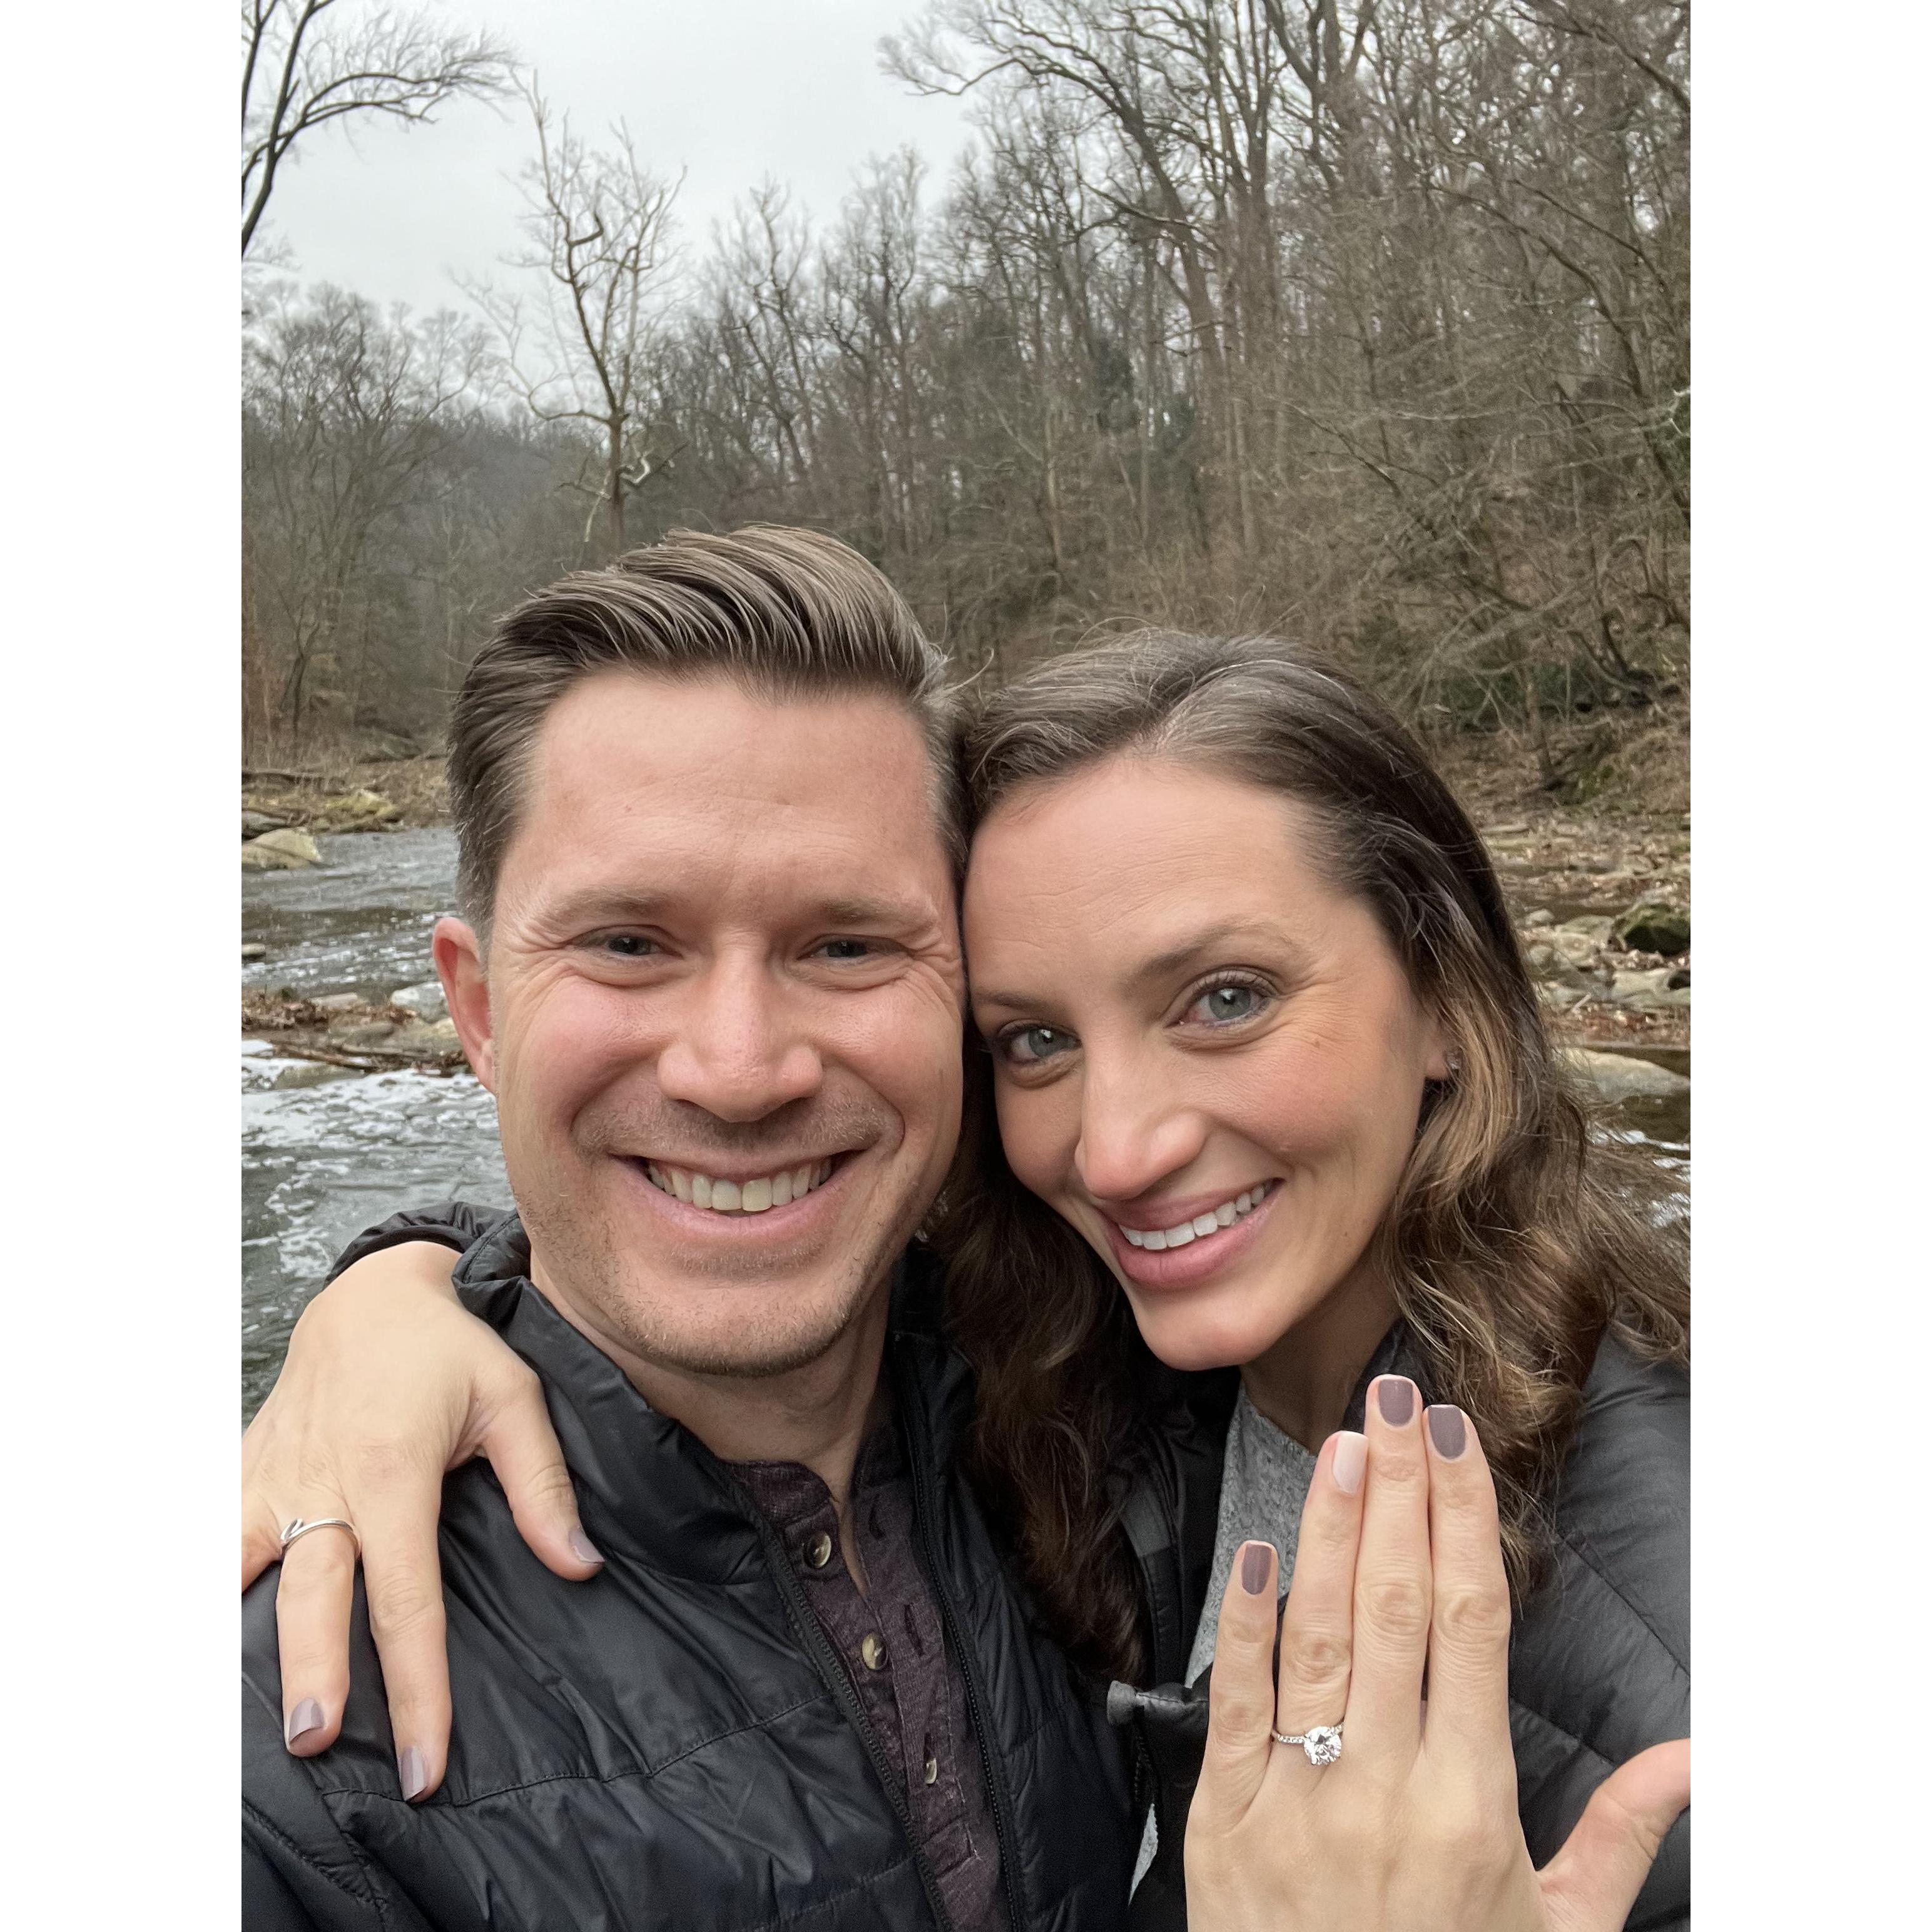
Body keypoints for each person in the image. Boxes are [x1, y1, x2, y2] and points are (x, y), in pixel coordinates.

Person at [243, 534, 1687, 1929]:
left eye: (845, 944)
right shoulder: (1058, 1349)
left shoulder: (1666, 1629)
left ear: (1444, 996)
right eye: (629, 941)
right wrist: (397, 1283)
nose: (739, 1067)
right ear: (479, 1006)